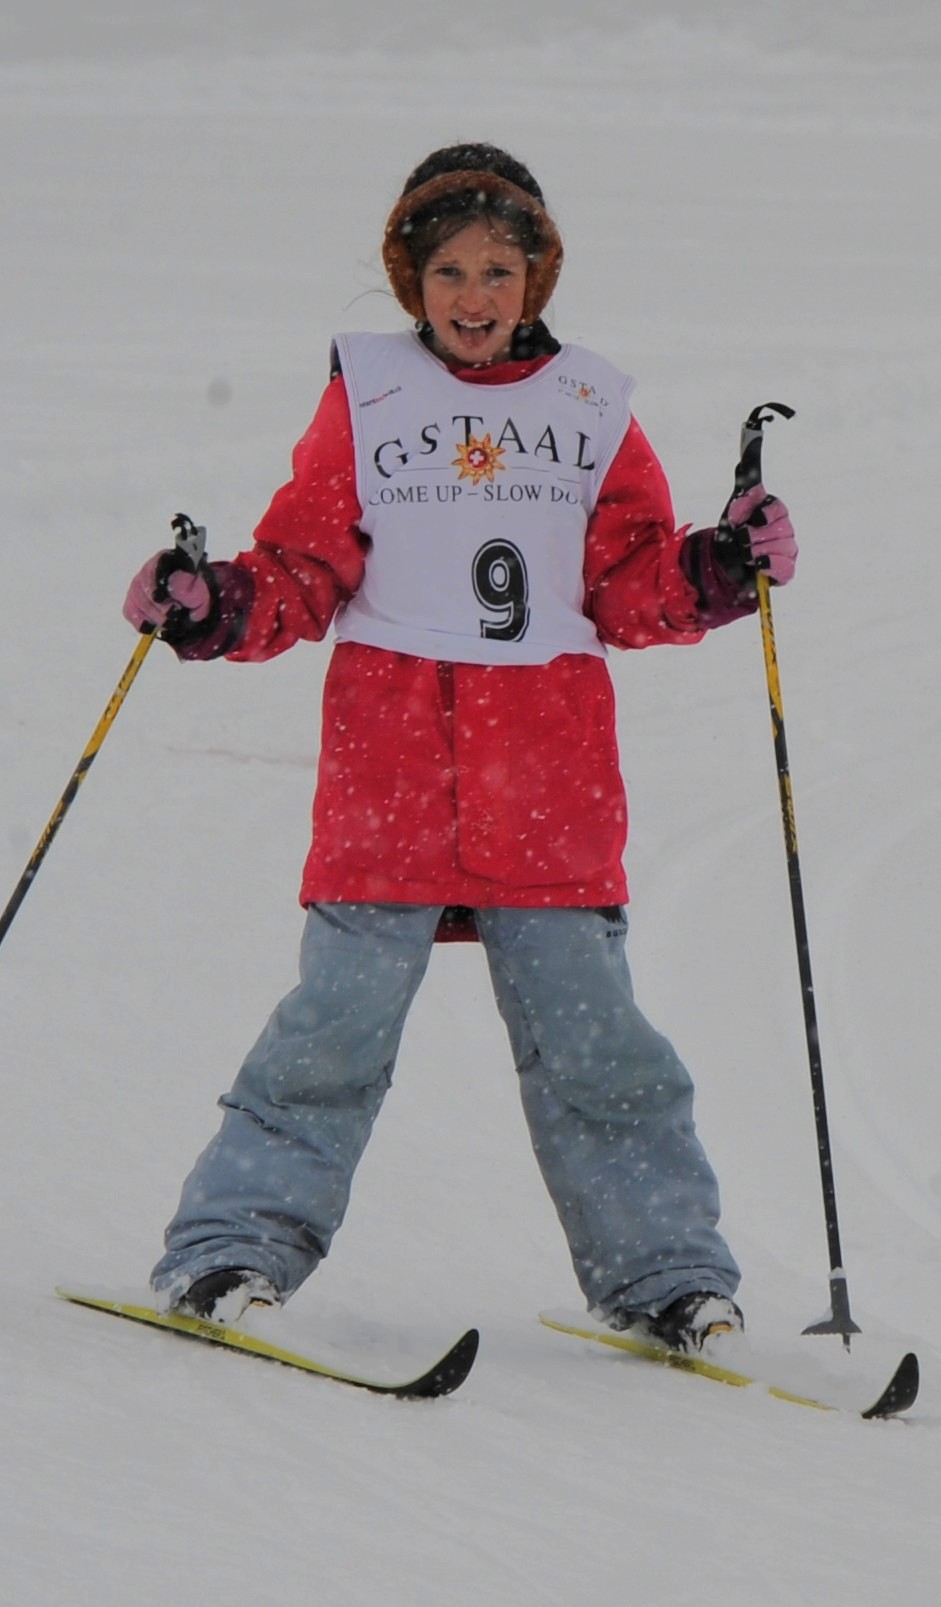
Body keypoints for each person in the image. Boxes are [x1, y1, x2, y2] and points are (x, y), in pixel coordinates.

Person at [121, 143, 798, 1355]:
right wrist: (212, 603)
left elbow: (629, 580)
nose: (473, 297)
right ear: (410, 280)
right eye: (448, 272)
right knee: (328, 1041)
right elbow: (303, 566)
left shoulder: (590, 407)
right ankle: (228, 1253)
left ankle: (667, 1280)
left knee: (602, 1055)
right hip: (388, 788)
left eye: (497, 271)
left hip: (548, 795)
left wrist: (715, 566)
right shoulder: (370, 396)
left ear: (536, 278)